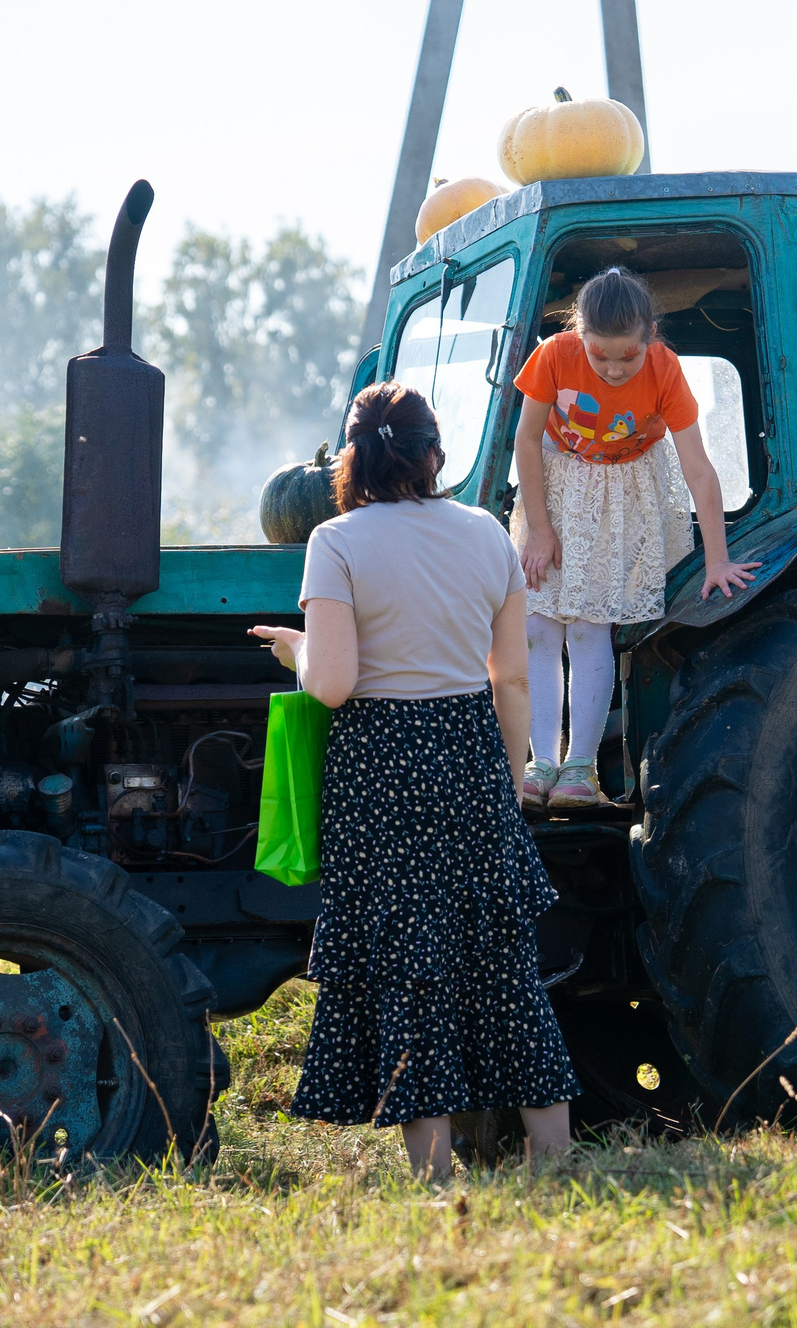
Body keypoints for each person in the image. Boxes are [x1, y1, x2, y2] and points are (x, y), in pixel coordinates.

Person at [249, 382, 580, 1180]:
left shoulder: (335, 541)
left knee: (405, 967)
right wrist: (506, 780)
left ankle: (434, 1173)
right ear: (435, 454)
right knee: (501, 964)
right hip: (468, 749)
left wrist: (296, 649)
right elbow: (510, 680)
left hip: (380, 764)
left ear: (353, 459)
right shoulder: (486, 535)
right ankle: (554, 1155)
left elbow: (331, 684)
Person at [510, 267, 760, 810]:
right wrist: (540, 529)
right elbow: (527, 440)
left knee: (590, 620)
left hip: (622, 488)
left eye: (628, 355)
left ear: (650, 335)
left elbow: (699, 470)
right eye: (600, 355)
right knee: (538, 622)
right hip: (553, 483)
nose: (614, 368)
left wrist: (717, 559)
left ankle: (579, 769)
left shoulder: (665, 370)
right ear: (581, 336)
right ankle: (540, 763)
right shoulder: (555, 355)